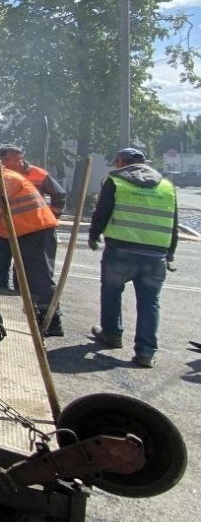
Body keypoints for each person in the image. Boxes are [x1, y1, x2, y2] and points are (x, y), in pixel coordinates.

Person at [87, 147, 177, 368]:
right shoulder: (166, 186)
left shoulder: (116, 181)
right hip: (155, 255)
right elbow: (173, 223)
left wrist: (93, 235)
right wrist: (170, 253)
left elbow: (102, 211)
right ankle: (146, 353)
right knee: (150, 303)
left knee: (111, 292)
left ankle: (112, 334)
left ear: (120, 162)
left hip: (121, 250)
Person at [0, 160, 63, 336]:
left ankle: (53, 321)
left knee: (40, 276)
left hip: (37, 230)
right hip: (24, 232)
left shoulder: (7, 178)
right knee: (25, 276)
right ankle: (33, 316)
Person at [0, 144, 67, 289]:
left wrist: (52, 215)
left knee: (27, 267)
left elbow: (59, 194)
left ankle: (24, 294)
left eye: (8, 159)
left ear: (19, 158)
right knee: (3, 263)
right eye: (3, 160)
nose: (5, 163)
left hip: (32, 228)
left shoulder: (39, 174)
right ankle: (7, 292)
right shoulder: (4, 175)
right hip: (9, 227)